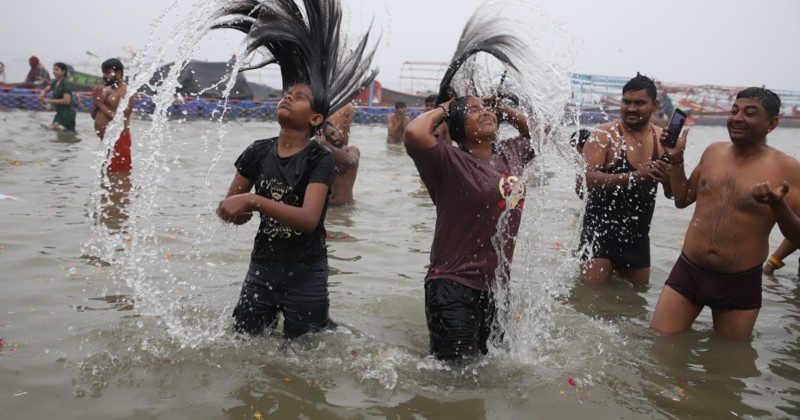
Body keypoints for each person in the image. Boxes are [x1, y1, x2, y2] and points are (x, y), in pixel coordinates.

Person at [213, 0, 377, 338]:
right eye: (288, 92)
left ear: (315, 118)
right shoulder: (257, 151)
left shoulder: (320, 159)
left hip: (306, 272)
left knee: (305, 353)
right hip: (261, 267)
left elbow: (308, 219)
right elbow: (234, 207)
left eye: (299, 97)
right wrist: (230, 210)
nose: (288, 96)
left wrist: (253, 202)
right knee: (245, 342)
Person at [404, 8, 536, 360]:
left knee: (487, 375)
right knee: (454, 382)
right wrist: (445, 108)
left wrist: (500, 108)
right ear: (459, 127)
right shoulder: (449, 159)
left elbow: (538, 132)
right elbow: (415, 133)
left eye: (486, 108)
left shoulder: (510, 154)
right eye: (474, 110)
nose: (485, 112)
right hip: (452, 284)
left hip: (496, 289)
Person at [651, 87, 800, 340]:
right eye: (734, 110)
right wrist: (676, 160)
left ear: (772, 123)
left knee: (729, 368)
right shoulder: (713, 152)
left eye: (749, 113)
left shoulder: (789, 169)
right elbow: (683, 199)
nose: (737, 117)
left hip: (740, 284)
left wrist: (778, 204)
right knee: (660, 348)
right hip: (688, 271)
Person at [579, 73, 672, 287]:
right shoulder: (604, 135)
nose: (631, 108)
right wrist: (635, 177)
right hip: (599, 234)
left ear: (655, 104)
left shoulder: (663, 139)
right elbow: (586, 181)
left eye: (639, 103)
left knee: (635, 307)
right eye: (626, 102)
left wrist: (671, 170)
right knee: (589, 305)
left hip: (638, 237)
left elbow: (673, 194)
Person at [91, 58, 138, 172]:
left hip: (119, 139)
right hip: (106, 141)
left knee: (120, 177)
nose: (104, 76)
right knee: (104, 177)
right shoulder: (106, 89)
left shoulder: (127, 92)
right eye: (103, 72)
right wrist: (97, 103)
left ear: (118, 73)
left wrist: (101, 104)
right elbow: (94, 115)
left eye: (107, 72)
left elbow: (121, 120)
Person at [318, 103, 360, 205]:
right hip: (326, 209)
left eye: (333, 133)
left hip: (345, 209)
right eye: (328, 138)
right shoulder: (322, 155)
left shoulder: (352, 150)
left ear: (338, 131)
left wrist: (325, 143)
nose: (333, 138)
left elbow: (351, 161)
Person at [38, 62, 76, 132]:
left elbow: (67, 101)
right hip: (59, 113)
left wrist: (49, 101)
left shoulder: (66, 84)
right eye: (53, 70)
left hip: (68, 114)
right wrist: (41, 95)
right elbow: (46, 90)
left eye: (56, 70)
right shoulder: (55, 82)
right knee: (54, 132)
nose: (54, 72)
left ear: (63, 71)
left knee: (68, 134)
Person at [571, 128, 591, 199]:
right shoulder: (581, 161)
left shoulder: (588, 163)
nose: (571, 150)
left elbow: (580, 192)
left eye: (572, 146)